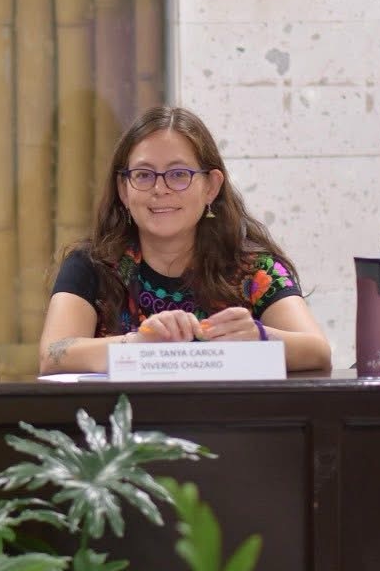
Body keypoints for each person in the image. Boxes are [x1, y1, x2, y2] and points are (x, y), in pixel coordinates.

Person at [39, 106, 332, 374]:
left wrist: (260, 336)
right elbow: (52, 355)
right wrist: (136, 345)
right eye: (143, 175)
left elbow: (318, 352)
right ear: (124, 189)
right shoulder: (92, 265)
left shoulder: (255, 270)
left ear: (211, 187)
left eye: (179, 174)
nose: (160, 189)